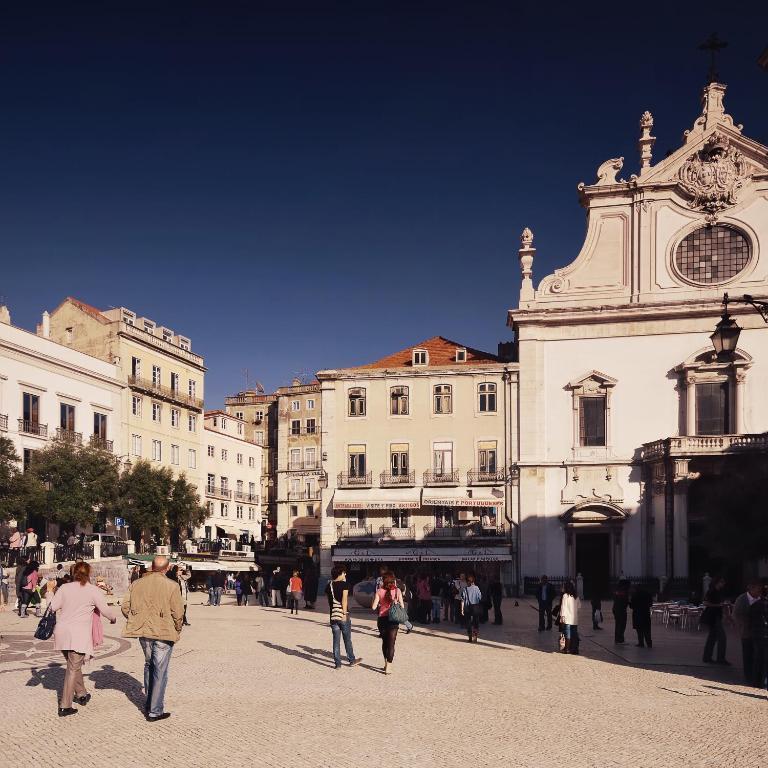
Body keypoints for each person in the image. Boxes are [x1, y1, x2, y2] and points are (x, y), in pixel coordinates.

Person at [49, 561, 118, 717]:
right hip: (77, 634)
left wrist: (49, 592)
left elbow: (52, 607)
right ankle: (65, 705)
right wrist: (113, 618)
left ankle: (81, 694)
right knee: (73, 667)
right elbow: (105, 610)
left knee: (74, 664)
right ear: (89, 573)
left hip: (61, 632)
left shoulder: (64, 588)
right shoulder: (93, 590)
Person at [122, 555, 184, 722]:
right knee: (160, 670)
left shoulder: (137, 583)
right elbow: (178, 612)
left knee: (149, 664)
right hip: (163, 631)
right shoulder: (172, 585)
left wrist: (135, 618)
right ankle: (155, 710)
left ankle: (150, 702)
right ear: (167, 568)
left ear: (152, 566)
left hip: (144, 631)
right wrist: (177, 628)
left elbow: (125, 606)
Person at [325, 565, 362, 669]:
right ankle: (352, 660)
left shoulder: (329, 585)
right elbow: (344, 600)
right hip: (343, 615)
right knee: (347, 639)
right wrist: (345, 614)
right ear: (340, 573)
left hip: (333, 615)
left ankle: (338, 664)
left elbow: (329, 601)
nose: (345, 574)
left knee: (336, 640)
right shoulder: (345, 585)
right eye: (344, 573)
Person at [371, 572, 405, 675]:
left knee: (384, 643)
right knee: (391, 644)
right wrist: (396, 603)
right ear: (393, 580)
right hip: (393, 620)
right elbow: (402, 606)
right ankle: (389, 667)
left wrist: (376, 599)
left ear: (383, 581)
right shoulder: (397, 590)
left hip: (382, 619)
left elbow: (373, 607)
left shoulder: (379, 591)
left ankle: (385, 663)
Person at [733, 582, 762, 684]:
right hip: (746, 631)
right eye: (758, 590)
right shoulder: (742, 599)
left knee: (757, 653)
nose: (759, 592)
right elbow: (737, 615)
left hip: (758, 631)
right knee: (747, 653)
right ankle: (748, 675)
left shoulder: (760, 599)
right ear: (751, 589)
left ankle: (756, 675)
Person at [702, 577, 730, 665]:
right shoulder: (711, 591)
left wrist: (723, 604)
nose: (723, 584)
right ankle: (720, 658)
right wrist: (718, 605)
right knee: (722, 637)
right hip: (712, 616)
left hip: (717, 616)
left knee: (712, 637)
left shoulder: (719, 592)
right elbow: (705, 603)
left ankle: (707, 657)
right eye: (721, 582)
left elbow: (720, 603)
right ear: (717, 583)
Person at [749, 586, 768, 691]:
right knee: (765, 660)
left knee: (758, 658)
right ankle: (763, 682)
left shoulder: (754, 604)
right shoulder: (765, 605)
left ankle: (756, 681)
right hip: (765, 634)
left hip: (756, 634)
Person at [560, 580, 581, 654]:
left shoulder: (565, 596)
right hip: (574, 619)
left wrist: (562, 617)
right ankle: (575, 649)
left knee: (567, 634)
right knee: (574, 634)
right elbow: (579, 606)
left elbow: (563, 607)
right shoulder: (576, 596)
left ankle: (567, 649)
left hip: (567, 618)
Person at [461, 574, 483, 643]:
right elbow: (480, 597)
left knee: (468, 622)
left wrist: (462, 609)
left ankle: (470, 637)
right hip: (475, 607)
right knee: (476, 623)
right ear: (473, 581)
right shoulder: (477, 588)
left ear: (468, 582)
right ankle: (475, 637)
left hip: (467, 607)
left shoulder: (465, 589)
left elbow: (463, 600)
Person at [612, 580, 630, 644]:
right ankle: (620, 639)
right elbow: (625, 601)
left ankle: (617, 639)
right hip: (621, 610)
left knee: (618, 624)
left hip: (616, 609)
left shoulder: (617, 590)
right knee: (622, 625)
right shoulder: (623, 591)